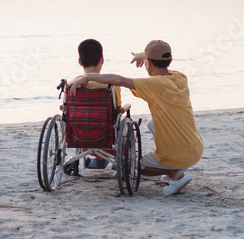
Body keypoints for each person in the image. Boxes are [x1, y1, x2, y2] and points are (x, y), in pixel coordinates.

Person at [70, 40, 203, 195]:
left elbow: (120, 80)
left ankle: (175, 174)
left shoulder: (153, 84)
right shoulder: (180, 77)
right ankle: (171, 169)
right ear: (170, 61)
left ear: (149, 63)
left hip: (176, 156)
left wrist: (88, 78)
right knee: (152, 123)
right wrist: (144, 57)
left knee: (132, 166)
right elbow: (121, 82)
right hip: (195, 150)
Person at [69, 39, 122, 170]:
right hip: (106, 136)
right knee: (122, 126)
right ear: (102, 60)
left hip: (79, 135)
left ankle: (98, 158)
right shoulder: (111, 85)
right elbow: (118, 108)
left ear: (79, 61)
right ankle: (111, 158)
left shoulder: (72, 85)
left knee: (83, 118)